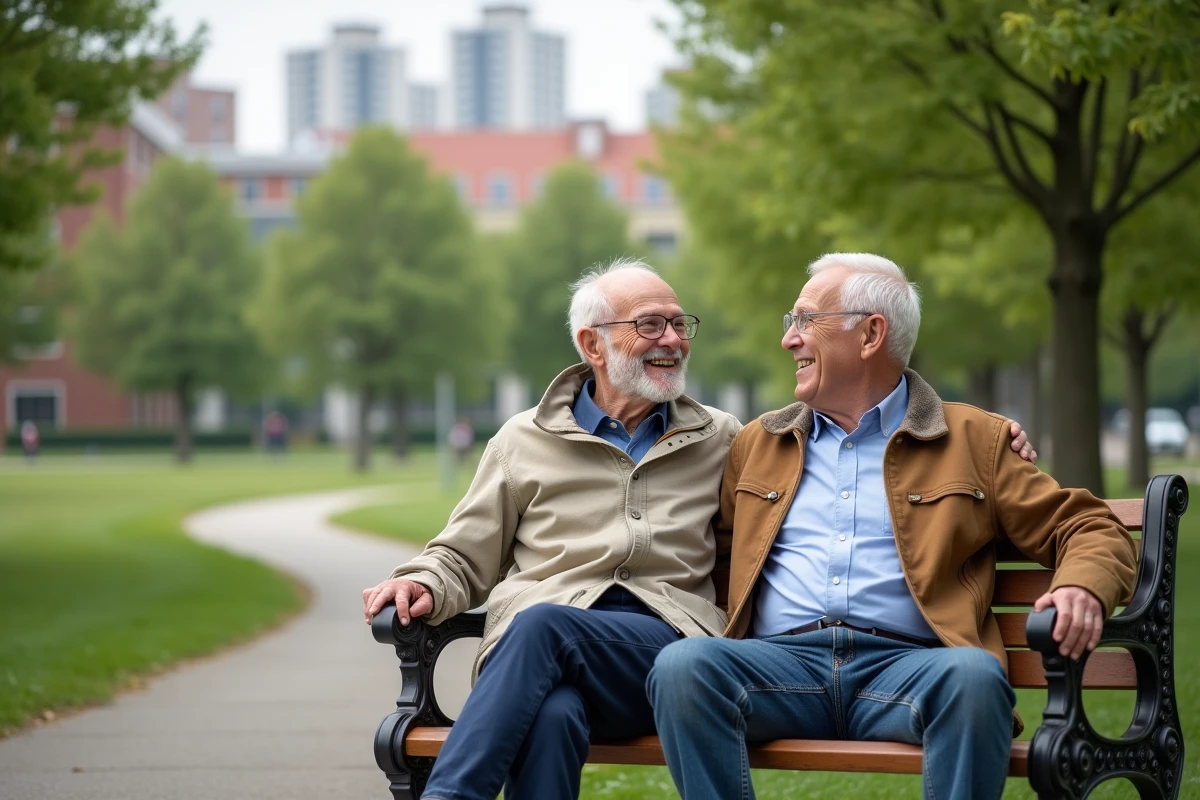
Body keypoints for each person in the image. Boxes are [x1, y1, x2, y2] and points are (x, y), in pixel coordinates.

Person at [360, 258, 1034, 800]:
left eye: (680, 324)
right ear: (591, 344)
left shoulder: (724, 439)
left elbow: (836, 454)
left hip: (660, 650)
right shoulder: (523, 440)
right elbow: (461, 553)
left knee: (540, 626)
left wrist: (992, 443)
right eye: (651, 325)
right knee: (555, 709)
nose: (674, 340)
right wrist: (421, 581)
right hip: (545, 666)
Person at [646, 253, 1137, 800]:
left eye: (806, 320)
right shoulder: (757, 444)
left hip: (910, 669)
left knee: (974, 678)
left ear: (870, 334)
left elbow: (1090, 526)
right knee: (684, 667)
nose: (790, 340)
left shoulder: (975, 440)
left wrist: (1080, 586)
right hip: (782, 670)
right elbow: (712, 549)